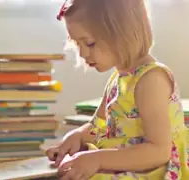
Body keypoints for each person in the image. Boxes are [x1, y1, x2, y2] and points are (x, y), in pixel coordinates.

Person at [46, 0, 189, 179]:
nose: (82, 53)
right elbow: (97, 126)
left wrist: (97, 159)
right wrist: (77, 136)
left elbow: (159, 151)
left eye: (89, 43)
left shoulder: (151, 80)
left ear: (123, 33)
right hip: (124, 160)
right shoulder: (119, 78)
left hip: (155, 169)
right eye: (76, 44)